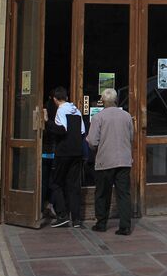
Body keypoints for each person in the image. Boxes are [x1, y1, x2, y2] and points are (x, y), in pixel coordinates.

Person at [85, 88, 135, 234]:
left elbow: (93, 141)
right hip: (124, 160)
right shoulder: (127, 116)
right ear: (116, 100)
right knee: (124, 194)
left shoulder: (98, 117)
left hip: (105, 161)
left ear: (103, 101)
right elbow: (131, 137)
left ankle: (101, 223)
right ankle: (125, 226)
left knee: (102, 193)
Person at [45, 87, 86, 228]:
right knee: (73, 185)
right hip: (77, 152)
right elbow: (82, 131)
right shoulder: (76, 110)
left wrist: (47, 122)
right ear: (67, 97)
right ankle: (77, 219)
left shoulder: (61, 110)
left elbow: (62, 129)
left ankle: (62, 215)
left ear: (55, 99)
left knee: (55, 183)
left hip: (64, 153)